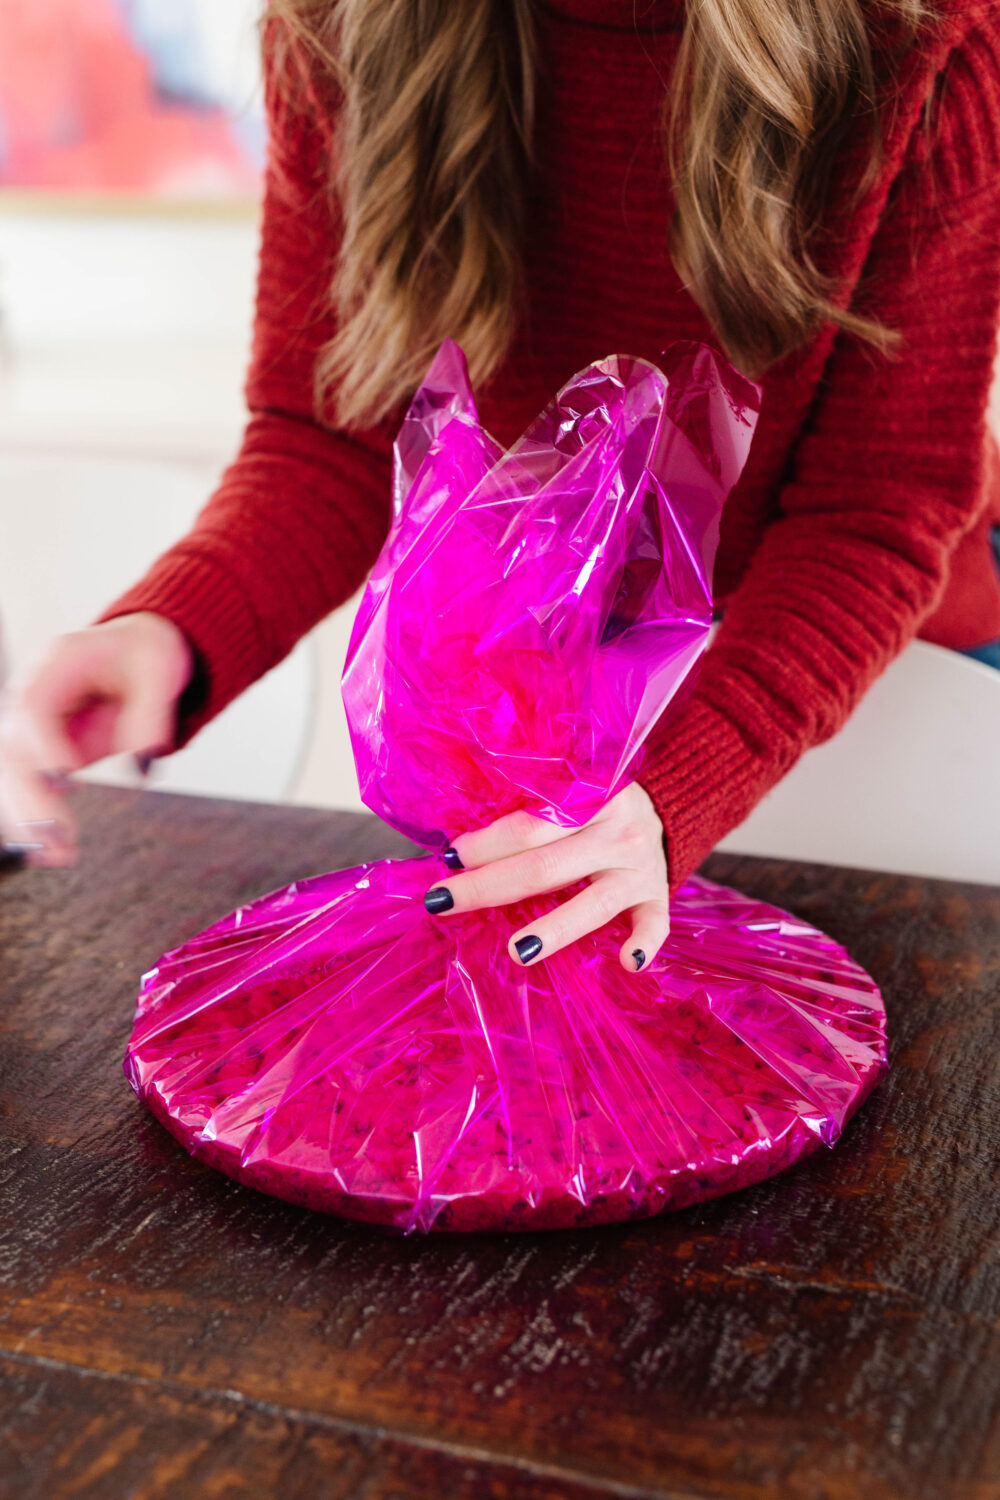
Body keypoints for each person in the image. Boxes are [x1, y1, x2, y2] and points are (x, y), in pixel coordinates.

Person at [2, 0, 998, 975]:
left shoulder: (929, 40)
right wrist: (168, 630)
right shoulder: (336, 23)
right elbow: (329, 439)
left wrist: (680, 784)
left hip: (888, 700)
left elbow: (871, 513)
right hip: (556, 726)